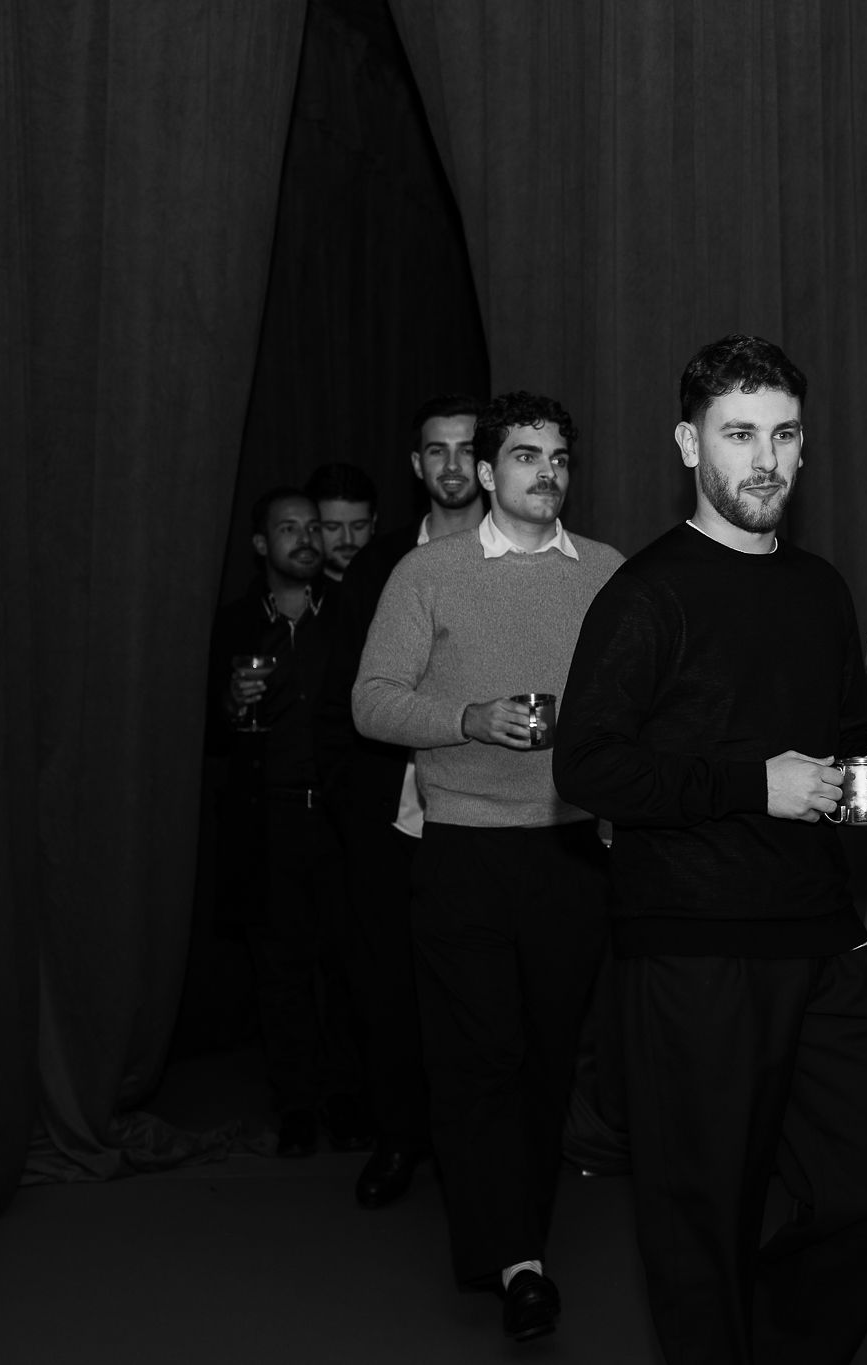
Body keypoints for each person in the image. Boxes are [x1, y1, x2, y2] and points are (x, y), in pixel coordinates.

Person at [554, 334, 867, 1365]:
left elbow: (843, 735)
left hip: (819, 939)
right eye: (737, 434)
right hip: (691, 948)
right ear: (689, 445)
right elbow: (584, 768)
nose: (763, 459)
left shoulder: (817, 587)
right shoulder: (646, 594)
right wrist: (750, 784)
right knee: (701, 1225)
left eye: (782, 434)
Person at [352, 391, 623, 1342]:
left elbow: (636, 708)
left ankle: (520, 1237)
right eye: (524, 456)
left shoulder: (607, 574)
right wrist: (467, 719)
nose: (544, 473)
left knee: (549, 1053)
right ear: (490, 469)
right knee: (480, 1056)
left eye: (558, 457)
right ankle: (515, 1258)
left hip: (569, 853)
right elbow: (372, 703)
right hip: (461, 845)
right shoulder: (429, 573)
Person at [315, 395, 486, 1210]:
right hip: (390, 810)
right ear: (417, 466)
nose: (452, 463)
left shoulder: (517, 555)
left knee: (480, 991)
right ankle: (398, 1137)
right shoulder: (379, 565)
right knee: (388, 982)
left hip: (491, 812)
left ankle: (475, 1150)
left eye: (466, 448)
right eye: (436, 450)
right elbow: (347, 694)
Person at [207, 487, 373, 1159]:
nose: (306, 538)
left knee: (347, 968)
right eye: (289, 529)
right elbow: (212, 734)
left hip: (340, 824)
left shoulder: (353, 618)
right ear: (260, 545)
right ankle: (296, 1105)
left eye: (313, 527)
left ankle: (345, 1099)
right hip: (270, 824)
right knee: (280, 975)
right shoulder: (233, 624)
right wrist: (228, 701)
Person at [304, 462, 380, 583]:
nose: (348, 540)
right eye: (332, 527)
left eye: (359, 526)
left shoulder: (397, 584)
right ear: (312, 527)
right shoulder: (293, 594)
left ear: (373, 523)